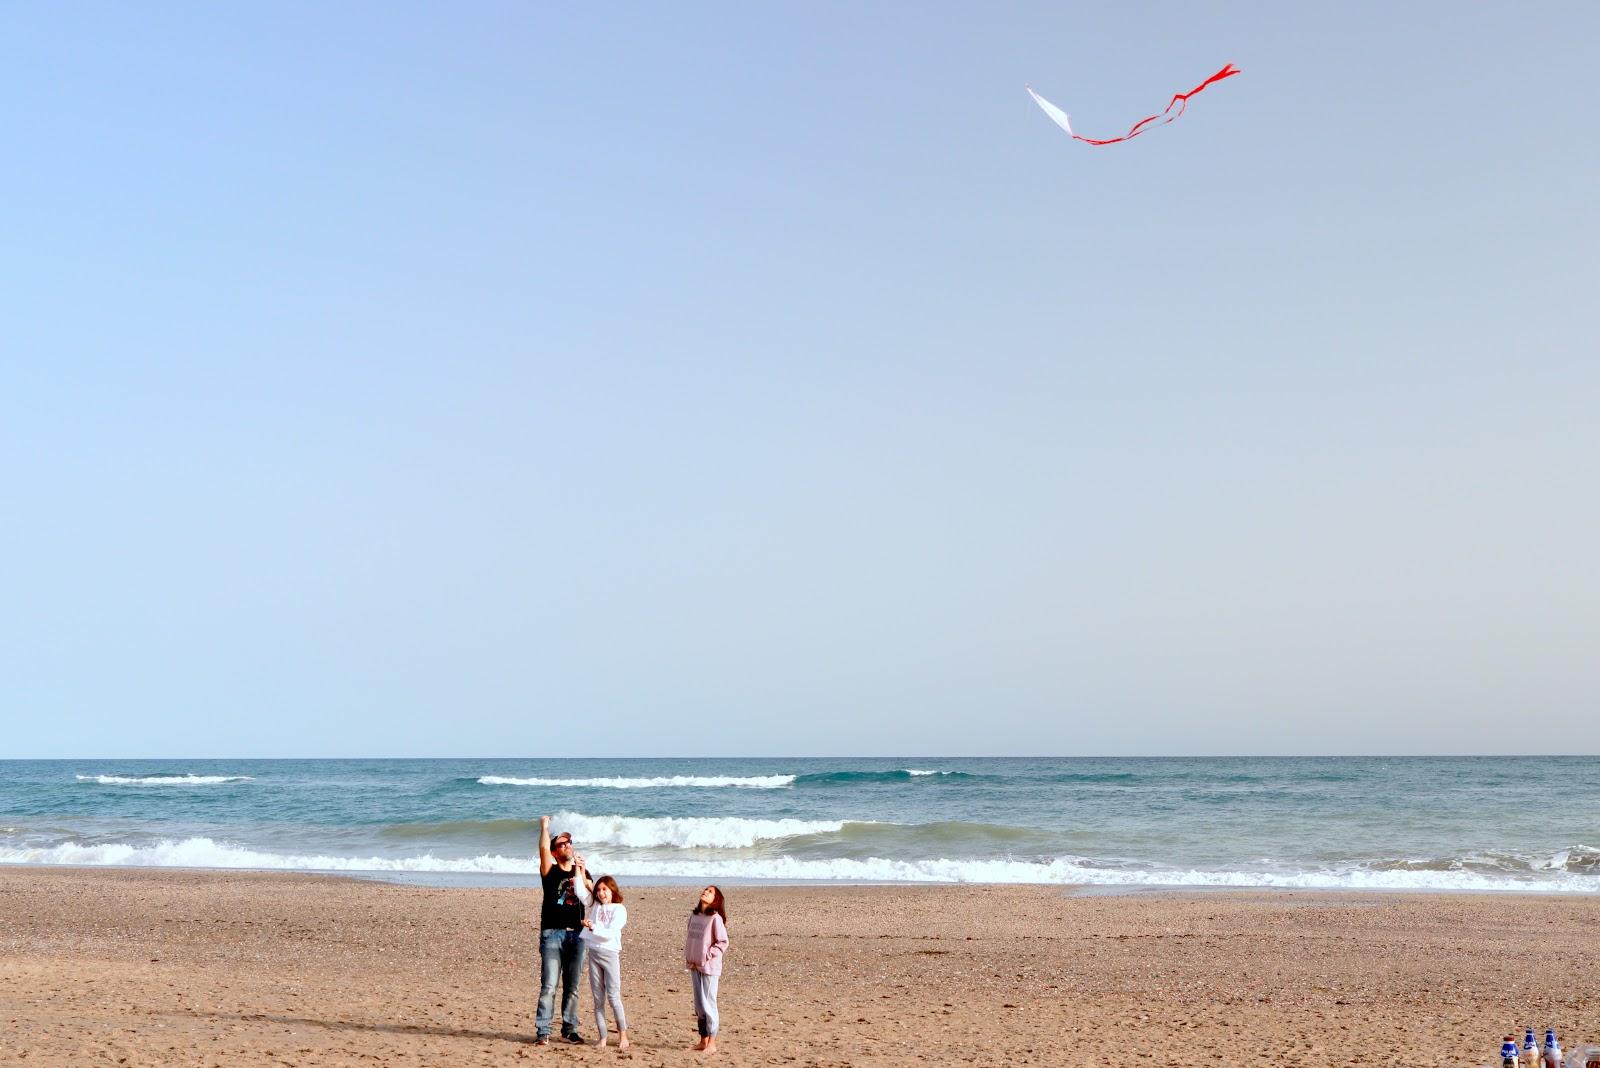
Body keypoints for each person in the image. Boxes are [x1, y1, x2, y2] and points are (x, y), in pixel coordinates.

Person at [535, 815, 592, 1045]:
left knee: (573, 986)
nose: (567, 846)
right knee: (549, 985)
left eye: (569, 843)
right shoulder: (550, 871)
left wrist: (583, 870)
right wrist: (545, 827)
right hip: (552, 933)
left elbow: (591, 894)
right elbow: (542, 847)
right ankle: (543, 1031)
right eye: (561, 844)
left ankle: (569, 1029)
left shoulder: (581, 871)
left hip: (578, 935)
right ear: (555, 852)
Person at [573, 862, 629, 1050]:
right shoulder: (596, 904)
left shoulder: (619, 909)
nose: (601, 893)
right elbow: (581, 892)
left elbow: (610, 932)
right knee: (598, 999)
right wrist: (579, 868)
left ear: (612, 890)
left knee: (613, 997)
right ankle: (603, 1037)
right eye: (599, 890)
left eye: (605, 889)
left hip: (610, 954)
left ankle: (623, 1035)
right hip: (594, 953)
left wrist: (592, 926)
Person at [684, 884, 729, 1054]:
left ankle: (712, 1042)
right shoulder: (694, 916)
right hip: (694, 965)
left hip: (710, 968)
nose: (705, 892)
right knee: (699, 1006)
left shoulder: (715, 918)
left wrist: (707, 955)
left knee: (709, 1005)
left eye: (710, 892)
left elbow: (723, 942)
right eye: (705, 890)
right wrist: (690, 956)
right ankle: (702, 1041)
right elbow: (691, 937)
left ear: (716, 900)